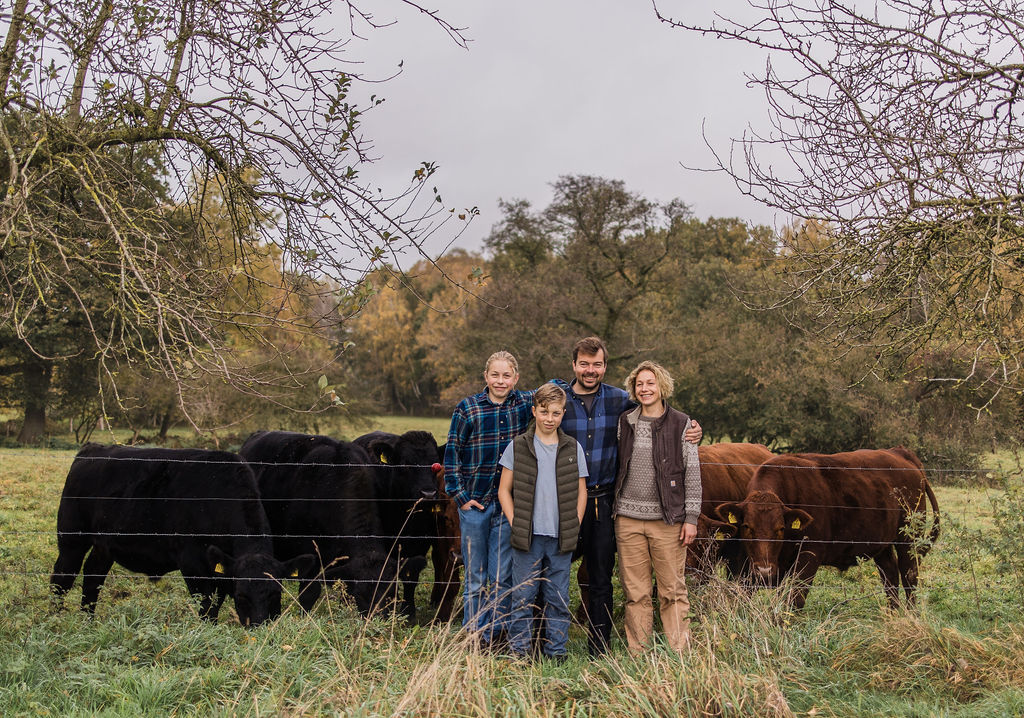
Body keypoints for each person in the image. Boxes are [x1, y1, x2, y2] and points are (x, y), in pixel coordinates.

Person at [552, 337, 701, 656]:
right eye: (584, 364)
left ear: (605, 366)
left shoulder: (625, 404)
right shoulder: (564, 401)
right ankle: (553, 645)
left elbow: (677, 445)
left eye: (597, 364)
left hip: (609, 503)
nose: (590, 370)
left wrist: (693, 430)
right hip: (569, 501)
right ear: (574, 365)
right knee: (557, 573)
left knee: (605, 577)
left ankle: (603, 648)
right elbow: (531, 407)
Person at [444, 350, 533, 648]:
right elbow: (452, 454)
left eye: (507, 375)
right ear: (485, 376)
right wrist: (460, 496)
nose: (500, 380)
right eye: (495, 375)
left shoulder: (524, 404)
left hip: (507, 505)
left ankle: (496, 634)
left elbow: (559, 388)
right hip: (476, 505)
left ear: (516, 379)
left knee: (501, 575)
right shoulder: (468, 408)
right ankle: (473, 634)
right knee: (475, 577)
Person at [613, 360, 700, 656]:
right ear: (633, 390)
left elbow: (692, 473)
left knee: (672, 591)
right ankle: (639, 654)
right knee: (635, 593)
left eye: (650, 383)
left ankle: (679, 654)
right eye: (639, 384)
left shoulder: (682, 424)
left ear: (662, 386)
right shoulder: (625, 422)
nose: (645, 388)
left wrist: (691, 517)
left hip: (668, 520)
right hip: (627, 519)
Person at [497, 383, 588, 660]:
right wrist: (515, 521)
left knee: (558, 599)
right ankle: (519, 652)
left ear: (563, 415)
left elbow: (581, 491)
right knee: (522, 598)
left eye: (557, 413)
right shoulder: (519, 446)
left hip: (561, 538)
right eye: (545, 412)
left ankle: (556, 652)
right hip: (528, 537)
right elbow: (504, 490)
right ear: (535, 411)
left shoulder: (572, 447)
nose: (550, 419)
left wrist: (575, 521)